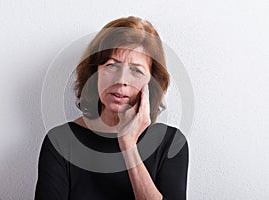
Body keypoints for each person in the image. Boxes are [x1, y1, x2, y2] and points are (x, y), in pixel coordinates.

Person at [35, 16, 189, 200]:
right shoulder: (60, 141)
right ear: (95, 73)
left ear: (151, 83)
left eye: (136, 70)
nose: (121, 80)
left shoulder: (171, 143)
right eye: (112, 66)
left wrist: (128, 144)